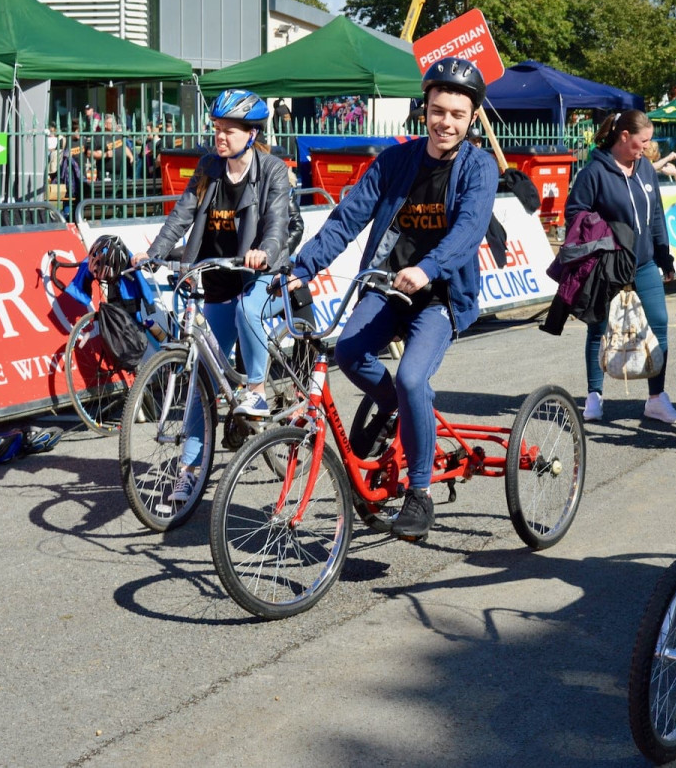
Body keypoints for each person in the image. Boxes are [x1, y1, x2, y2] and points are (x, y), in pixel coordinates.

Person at [287, 57, 497, 542]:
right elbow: (347, 218)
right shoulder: (394, 161)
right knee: (348, 352)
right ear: (425, 109)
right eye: (438, 111)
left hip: (440, 294)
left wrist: (427, 269)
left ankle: (419, 492)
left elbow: (468, 231)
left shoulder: (478, 167)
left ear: (471, 118)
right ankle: (400, 409)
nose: (446, 123)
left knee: (412, 377)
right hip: (388, 285)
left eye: (458, 115)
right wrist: (303, 267)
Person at [134, 89, 295, 505]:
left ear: (251, 133)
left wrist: (265, 252)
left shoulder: (272, 170)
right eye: (217, 129)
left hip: (257, 272)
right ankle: (188, 472)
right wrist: (153, 254)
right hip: (217, 275)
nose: (220, 137)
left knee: (248, 311)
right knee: (200, 382)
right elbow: (182, 215)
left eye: (229, 130)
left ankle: (256, 388)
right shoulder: (208, 167)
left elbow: (277, 223)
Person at [566, 109, 676, 426]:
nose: (647, 147)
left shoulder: (644, 168)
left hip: (644, 264)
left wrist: (664, 255)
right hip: (607, 266)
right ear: (624, 136)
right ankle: (594, 396)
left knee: (658, 324)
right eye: (642, 141)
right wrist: (606, 235)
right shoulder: (594, 172)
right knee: (599, 328)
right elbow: (574, 214)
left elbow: (656, 214)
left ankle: (656, 399)